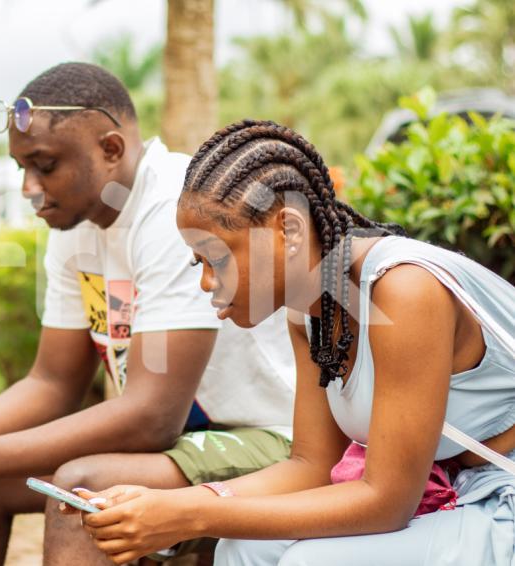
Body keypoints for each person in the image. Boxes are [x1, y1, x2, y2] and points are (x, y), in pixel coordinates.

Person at [0, 66, 296, 566]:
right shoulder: (77, 228)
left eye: (45, 165)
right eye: (20, 169)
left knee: (80, 490)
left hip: (270, 438)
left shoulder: (173, 209)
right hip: (188, 441)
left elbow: (152, 417)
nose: (29, 188)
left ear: (112, 149)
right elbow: (51, 383)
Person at [69, 119, 515, 565]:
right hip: (464, 493)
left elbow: (386, 503)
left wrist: (195, 513)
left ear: (290, 231)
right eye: (198, 262)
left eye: (218, 257)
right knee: (242, 548)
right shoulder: (310, 316)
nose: (206, 281)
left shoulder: (404, 289)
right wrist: (180, 501)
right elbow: (312, 466)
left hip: (502, 499)